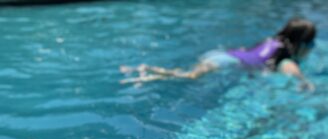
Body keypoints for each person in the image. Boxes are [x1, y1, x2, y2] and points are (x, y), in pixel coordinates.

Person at [120, 17, 316, 91]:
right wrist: (307, 84)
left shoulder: (273, 41)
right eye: (311, 44)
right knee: (188, 76)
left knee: (187, 71)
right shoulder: (287, 60)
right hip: (225, 62)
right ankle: (148, 77)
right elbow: (296, 75)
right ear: (302, 43)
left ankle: (144, 68)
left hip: (222, 55)